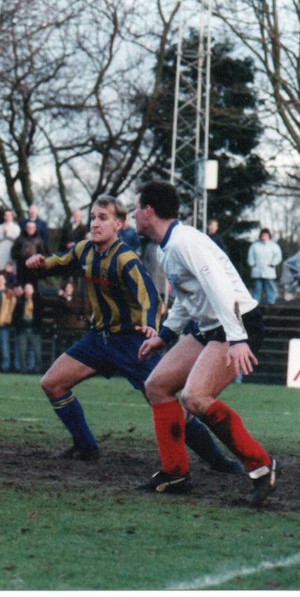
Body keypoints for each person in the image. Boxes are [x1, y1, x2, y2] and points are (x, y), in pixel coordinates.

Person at [25, 194, 238, 471]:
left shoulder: (126, 259)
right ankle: (86, 445)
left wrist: (150, 324)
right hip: (97, 340)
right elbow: (62, 261)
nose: (95, 224)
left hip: (131, 343)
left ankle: (217, 461)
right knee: (52, 383)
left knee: (164, 400)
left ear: (120, 224)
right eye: (92, 218)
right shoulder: (84, 250)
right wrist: (42, 263)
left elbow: (149, 295)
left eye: (103, 218)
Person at [134, 181, 277, 506]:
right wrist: (165, 336)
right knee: (156, 385)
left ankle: (262, 465)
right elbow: (189, 299)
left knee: (195, 398)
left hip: (237, 323)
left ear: (149, 211)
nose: (133, 215)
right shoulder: (164, 248)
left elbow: (220, 288)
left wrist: (238, 338)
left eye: (135, 208)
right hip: (212, 326)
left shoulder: (185, 242)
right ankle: (175, 473)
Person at [247, 228, 282, 305]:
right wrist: (252, 264)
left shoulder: (274, 246)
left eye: (266, 235)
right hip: (257, 270)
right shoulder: (254, 246)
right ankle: (255, 302)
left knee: (270, 287)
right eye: (263, 235)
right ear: (260, 236)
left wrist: (273, 263)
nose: (264, 237)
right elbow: (250, 256)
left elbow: (278, 256)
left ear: (269, 236)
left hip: (269, 270)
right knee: (257, 287)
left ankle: (271, 301)